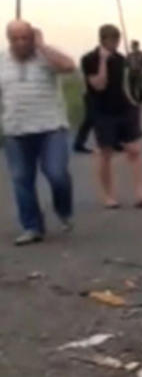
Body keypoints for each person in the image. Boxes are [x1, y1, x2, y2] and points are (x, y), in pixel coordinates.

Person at [1, 20, 78, 245]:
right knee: (21, 179)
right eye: (15, 39)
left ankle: (64, 210)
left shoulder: (46, 57)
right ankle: (32, 226)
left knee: (56, 174)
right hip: (15, 130)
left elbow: (69, 66)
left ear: (33, 37)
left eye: (25, 37)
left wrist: (42, 47)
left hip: (50, 128)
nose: (21, 43)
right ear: (9, 40)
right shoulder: (2, 61)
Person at [81, 24, 142, 210]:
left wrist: (133, 102)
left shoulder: (120, 59)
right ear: (103, 40)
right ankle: (109, 196)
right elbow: (99, 84)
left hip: (123, 109)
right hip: (102, 111)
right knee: (106, 153)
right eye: (113, 40)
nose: (116, 44)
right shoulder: (89, 59)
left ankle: (141, 195)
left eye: (118, 40)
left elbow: (121, 84)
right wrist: (102, 61)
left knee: (134, 150)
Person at [127, 39, 142, 104]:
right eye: (132, 46)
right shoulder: (130, 55)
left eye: (134, 46)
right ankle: (135, 100)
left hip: (139, 72)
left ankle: (141, 101)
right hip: (131, 72)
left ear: (137, 46)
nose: (133, 47)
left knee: (140, 87)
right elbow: (126, 64)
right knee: (131, 88)